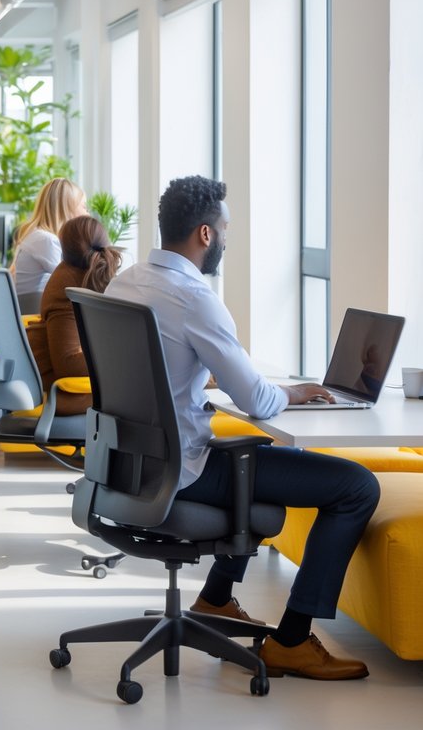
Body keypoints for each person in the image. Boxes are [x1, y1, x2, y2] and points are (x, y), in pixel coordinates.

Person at [106, 175, 379, 680]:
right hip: (179, 471)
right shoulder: (194, 297)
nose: (228, 239)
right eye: (226, 230)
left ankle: (214, 599)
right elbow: (256, 398)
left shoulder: (126, 282)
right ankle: (292, 642)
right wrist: (292, 393)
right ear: (206, 235)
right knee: (356, 485)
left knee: (256, 461)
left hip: (125, 463)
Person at [25, 215, 122, 416]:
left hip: (72, 383)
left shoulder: (86, 275)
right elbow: (67, 363)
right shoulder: (67, 287)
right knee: (147, 389)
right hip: (58, 390)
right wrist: (124, 361)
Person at [11, 177, 87, 297]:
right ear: (67, 208)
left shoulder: (38, 235)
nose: (87, 213)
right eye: (84, 207)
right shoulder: (46, 240)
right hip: (34, 312)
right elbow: (71, 282)